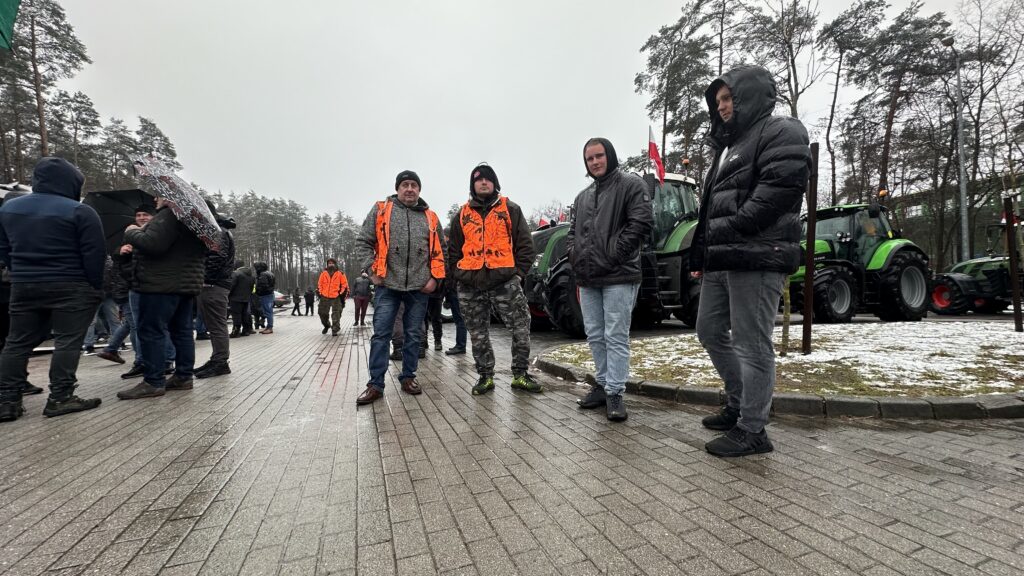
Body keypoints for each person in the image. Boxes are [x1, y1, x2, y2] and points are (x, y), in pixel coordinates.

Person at [691, 65, 811, 457]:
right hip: (722, 259)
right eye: (719, 100)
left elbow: (778, 191)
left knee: (751, 344)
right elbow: (711, 208)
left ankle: (754, 429)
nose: (723, 106)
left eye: (729, 98)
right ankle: (739, 402)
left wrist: (734, 227)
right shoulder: (727, 146)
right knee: (708, 331)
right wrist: (701, 250)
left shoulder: (781, 131)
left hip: (758, 257)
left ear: (750, 96)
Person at [0, 157, 105, 422]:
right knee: (67, 341)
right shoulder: (81, 211)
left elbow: (4, 249)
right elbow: (95, 254)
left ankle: (7, 401)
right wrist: (94, 285)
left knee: (16, 342)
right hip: (71, 284)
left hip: (24, 284)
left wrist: (20, 271)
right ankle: (60, 397)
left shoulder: (9, 208)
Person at [569, 138, 653, 422]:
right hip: (589, 277)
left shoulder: (631, 185)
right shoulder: (582, 197)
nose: (594, 162)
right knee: (594, 334)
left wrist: (615, 253)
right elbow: (573, 234)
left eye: (599, 156)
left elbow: (641, 223)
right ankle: (603, 385)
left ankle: (616, 392)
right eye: (589, 158)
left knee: (615, 335)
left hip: (619, 274)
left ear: (610, 155)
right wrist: (575, 256)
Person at [353, 170, 445, 405]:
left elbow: (441, 252)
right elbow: (363, 241)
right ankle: (375, 384)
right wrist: (372, 271)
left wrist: (434, 278)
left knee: (414, 334)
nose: (409, 189)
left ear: (419, 190)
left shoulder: (431, 217)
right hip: (387, 285)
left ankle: (408, 377)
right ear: (397, 188)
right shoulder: (382, 210)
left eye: (414, 185)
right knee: (381, 334)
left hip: (419, 287)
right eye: (405, 185)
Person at [448, 163, 540, 395]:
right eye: (479, 179)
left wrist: (517, 275)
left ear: (495, 183)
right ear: (473, 185)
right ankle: (485, 377)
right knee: (478, 334)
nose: (484, 182)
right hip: (470, 284)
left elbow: (526, 246)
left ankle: (520, 374)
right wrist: (459, 276)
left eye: (488, 179)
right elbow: (453, 252)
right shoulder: (462, 215)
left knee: (520, 328)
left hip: (505, 282)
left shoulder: (510, 209)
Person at [115, 195, 208, 400]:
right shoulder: (192, 220)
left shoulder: (169, 215)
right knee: (182, 332)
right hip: (185, 286)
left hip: (160, 284)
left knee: (151, 332)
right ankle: (183, 376)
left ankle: (153, 381)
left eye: (159, 195)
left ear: (169, 196)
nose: (156, 198)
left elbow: (153, 244)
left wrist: (132, 233)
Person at [194, 201, 235, 379]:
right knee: (214, 325)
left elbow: (216, 258)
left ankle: (220, 362)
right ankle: (217, 359)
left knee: (217, 325)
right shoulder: (217, 231)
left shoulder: (216, 231)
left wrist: (204, 278)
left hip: (214, 285)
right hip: (214, 284)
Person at [317, 258, 348, 336]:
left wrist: (340, 293)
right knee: (322, 313)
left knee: (336, 314)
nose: (330, 265)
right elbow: (319, 284)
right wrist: (320, 292)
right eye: (329, 263)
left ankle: (335, 329)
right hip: (324, 296)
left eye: (332, 263)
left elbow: (344, 285)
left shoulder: (340, 273)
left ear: (335, 264)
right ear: (327, 265)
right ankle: (327, 325)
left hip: (336, 297)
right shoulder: (323, 273)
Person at [228, 262, 255, 337]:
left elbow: (231, 285)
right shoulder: (251, 276)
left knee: (236, 315)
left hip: (235, 298)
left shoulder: (236, 274)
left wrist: (228, 295)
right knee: (244, 314)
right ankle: (246, 331)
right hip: (246, 298)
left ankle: (235, 332)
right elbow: (252, 288)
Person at [254, 262, 275, 334]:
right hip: (269, 294)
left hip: (265, 295)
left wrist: (258, 291)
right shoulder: (270, 273)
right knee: (268, 311)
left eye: (256, 267)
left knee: (268, 312)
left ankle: (269, 327)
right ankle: (268, 327)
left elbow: (263, 285)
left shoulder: (263, 274)